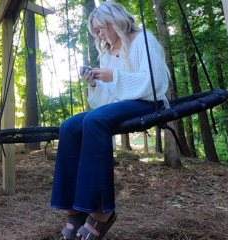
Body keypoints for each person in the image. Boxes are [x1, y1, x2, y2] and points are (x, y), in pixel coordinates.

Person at [50, 1, 170, 240]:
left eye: (102, 27)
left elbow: (156, 83)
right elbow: (105, 102)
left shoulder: (144, 40)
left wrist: (114, 76)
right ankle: (74, 211)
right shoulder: (106, 53)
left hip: (149, 102)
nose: (100, 34)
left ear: (116, 20)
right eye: (96, 31)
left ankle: (101, 212)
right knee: (70, 126)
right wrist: (95, 83)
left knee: (93, 122)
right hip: (121, 106)